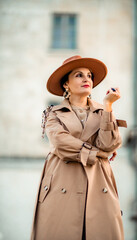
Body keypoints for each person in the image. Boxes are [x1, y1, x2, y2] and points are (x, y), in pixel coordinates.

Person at [30, 55, 127, 240]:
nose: (86, 79)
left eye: (89, 75)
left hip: (99, 182)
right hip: (61, 183)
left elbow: (110, 144)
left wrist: (108, 106)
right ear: (66, 84)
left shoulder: (104, 111)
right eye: (78, 75)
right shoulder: (53, 113)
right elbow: (61, 143)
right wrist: (99, 153)